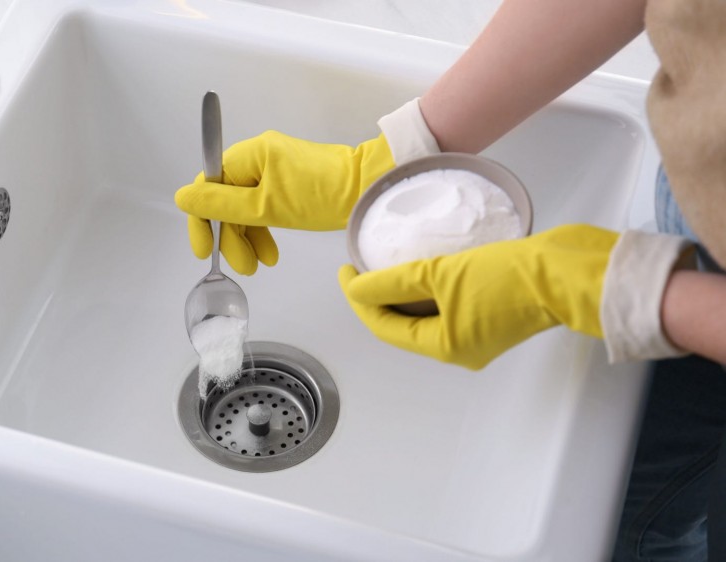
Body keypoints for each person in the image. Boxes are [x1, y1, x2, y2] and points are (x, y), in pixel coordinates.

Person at [174, 0, 726, 559]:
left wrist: (634, 291)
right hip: (700, 223)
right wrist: (394, 153)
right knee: (635, 495)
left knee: (651, 526)